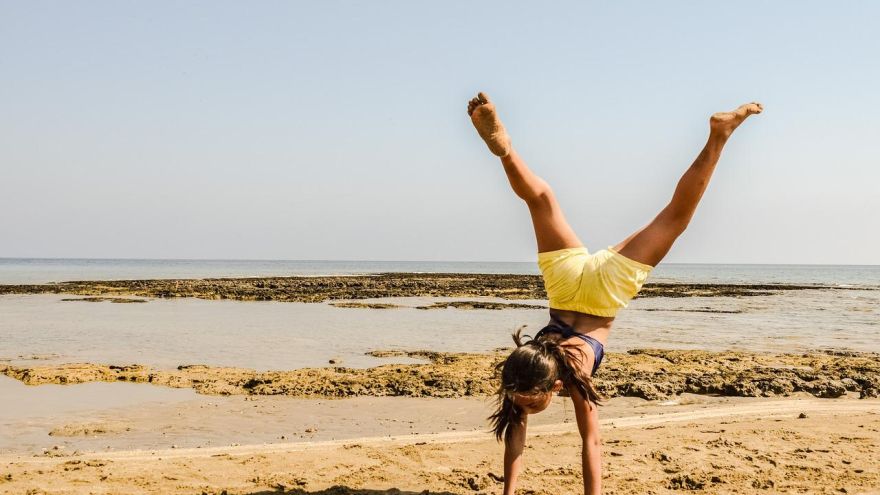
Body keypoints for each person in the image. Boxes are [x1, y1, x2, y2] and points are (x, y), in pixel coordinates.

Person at [467, 92, 762, 495]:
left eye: (528, 404)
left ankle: (719, 135)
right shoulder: (526, 368)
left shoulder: (572, 375)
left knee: (675, 217)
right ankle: (505, 152)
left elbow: (591, 442)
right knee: (540, 200)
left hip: (603, 293)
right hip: (565, 283)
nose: (523, 409)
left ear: (554, 387)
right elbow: (555, 435)